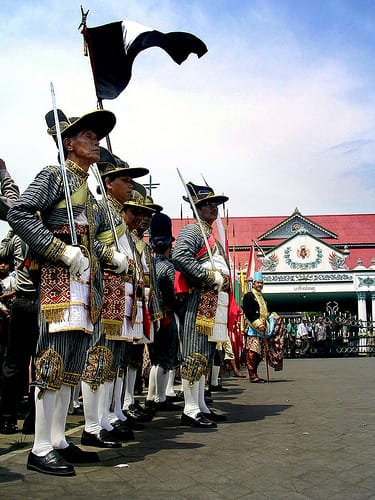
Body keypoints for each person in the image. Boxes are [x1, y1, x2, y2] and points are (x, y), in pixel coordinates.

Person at [7, 108, 128, 476]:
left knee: (71, 368)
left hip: (86, 290)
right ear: (69, 143)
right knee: (52, 363)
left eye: (95, 137)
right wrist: (60, 250)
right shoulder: (54, 176)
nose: (95, 142)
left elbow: (95, 245)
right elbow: (20, 214)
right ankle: (40, 446)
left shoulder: (91, 196)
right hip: (59, 287)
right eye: (88, 136)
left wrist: (113, 257)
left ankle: (58, 439)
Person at [80, 147, 148, 448]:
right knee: (99, 357)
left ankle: (106, 415)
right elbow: (90, 244)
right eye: (125, 180)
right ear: (109, 182)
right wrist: (116, 259)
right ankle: (92, 423)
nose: (129, 186)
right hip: (104, 290)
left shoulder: (114, 214)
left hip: (120, 293)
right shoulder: (97, 208)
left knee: (112, 360)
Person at [173, 181, 235, 428]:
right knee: (194, 353)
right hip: (198, 299)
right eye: (206, 204)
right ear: (196, 208)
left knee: (205, 355)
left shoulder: (210, 235)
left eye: (214, 203)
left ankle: (200, 405)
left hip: (212, 301)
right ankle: (190, 408)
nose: (212, 207)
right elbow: (180, 257)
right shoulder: (193, 231)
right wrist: (208, 276)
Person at [121, 187, 163, 423]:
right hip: (127, 302)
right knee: (124, 356)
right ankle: (121, 403)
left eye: (149, 215)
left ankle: (129, 399)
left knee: (135, 356)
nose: (145, 219)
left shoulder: (145, 247)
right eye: (140, 213)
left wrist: (155, 310)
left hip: (142, 304)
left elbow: (152, 282)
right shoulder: (125, 238)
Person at [0, 233, 38, 435]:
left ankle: (7, 420)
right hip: (43, 302)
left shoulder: (18, 236)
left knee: (14, 363)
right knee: (41, 363)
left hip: (23, 302)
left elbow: (2, 252)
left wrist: (12, 230)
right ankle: (32, 421)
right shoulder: (49, 229)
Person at [144, 211, 181, 412]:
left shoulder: (150, 265)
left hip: (151, 315)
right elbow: (170, 295)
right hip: (165, 314)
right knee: (164, 358)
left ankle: (151, 396)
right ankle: (158, 397)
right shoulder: (167, 267)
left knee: (155, 357)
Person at [242, 272, 284, 383]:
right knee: (253, 353)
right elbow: (249, 312)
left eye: (261, 283)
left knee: (260, 355)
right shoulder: (249, 296)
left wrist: (273, 316)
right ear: (253, 283)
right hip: (254, 329)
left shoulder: (263, 298)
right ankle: (252, 375)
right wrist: (258, 324)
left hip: (264, 329)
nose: (260, 285)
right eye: (258, 283)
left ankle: (255, 374)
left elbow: (266, 313)